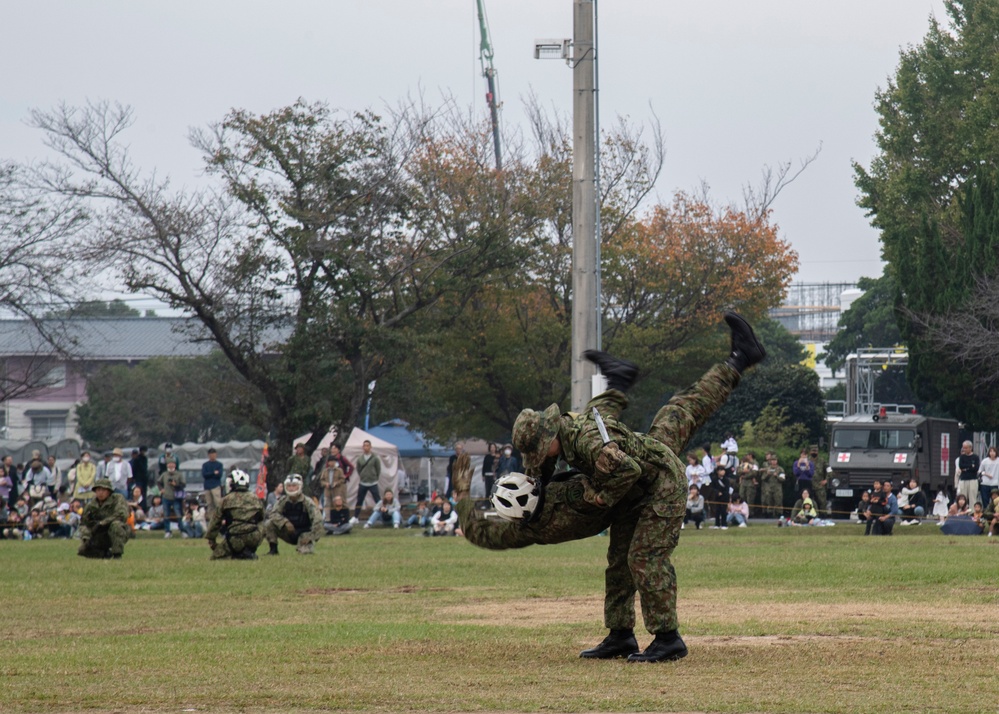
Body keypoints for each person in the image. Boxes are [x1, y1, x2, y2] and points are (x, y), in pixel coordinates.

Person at [456, 310, 765, 662]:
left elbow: (625, 468)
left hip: (659, 480)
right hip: (636, 480)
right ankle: (621, 636)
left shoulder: (581, 450)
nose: (538, 465)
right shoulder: (565, 440)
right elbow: (590, 425)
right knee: (678, 412)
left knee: (642, 558)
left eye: (541, 451)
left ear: (551, 435)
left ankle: (668, 639)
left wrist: (596, 496)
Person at [206, 468, 264, 560]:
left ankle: (241, 554)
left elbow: (215, 521)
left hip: (236, 538)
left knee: (216, 558)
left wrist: (211, 539)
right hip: (255, 538)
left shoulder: (226, 500)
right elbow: (261, 518)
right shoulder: (256, 498)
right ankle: (246, 553)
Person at [264, 474, 324, 555]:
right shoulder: (283, 501)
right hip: (288, 533)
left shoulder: (307, 502)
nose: (291, 488)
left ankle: (304, 547)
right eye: (289, 486)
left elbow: (318, 520)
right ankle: (273, 550)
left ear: (300, 486)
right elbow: (273, 514)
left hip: (304, 533)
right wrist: (284, 522)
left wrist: (311, 537)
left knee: (304, 553)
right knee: (269, 524)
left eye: (294, 486)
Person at [77, 478, 129, 559]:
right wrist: (86, 535)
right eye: (98, 490)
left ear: (109, 491)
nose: (100, 492)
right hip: (98, 534)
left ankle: (117, 555)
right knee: (82, 550)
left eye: (103, 490)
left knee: (116, 525)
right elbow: (83, 523)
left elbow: (121, 515)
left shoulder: (117, 499)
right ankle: (105, 554)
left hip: (115, 532)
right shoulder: (91, 505)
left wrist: (102, 523)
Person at [351, 440, 381, 524]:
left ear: (371, 447)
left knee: (378, 500)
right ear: (363, 447)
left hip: (373, 482)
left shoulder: (375, 458)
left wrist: (375, 477)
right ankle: (355, 517)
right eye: (365, 446)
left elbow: (378, 469)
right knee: (359, 500)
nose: (366, 447)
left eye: (368, 446)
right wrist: (362, 476)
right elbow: (358, 469)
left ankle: (382, 515)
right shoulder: (360, 458)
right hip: (363, 482)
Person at [158, 460, 186, 538]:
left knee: (178, 515)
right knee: (166, 515)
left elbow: (183, 485)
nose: (171, 466)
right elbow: (158, 482)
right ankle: (167, 531)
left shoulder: (179, 474)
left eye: (172, 464)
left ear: (175, 465)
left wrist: (175, 484)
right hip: (166, 497)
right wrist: (161, 489)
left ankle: (182, 530)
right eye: (169, 464)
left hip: (176, 497)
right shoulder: (164, 474)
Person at [201, 447, 225, 522]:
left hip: (216, 486)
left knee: (218, 503)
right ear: (209, 455)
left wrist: (211, 474)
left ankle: (220, 519)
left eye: (214, 454)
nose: (213, 456)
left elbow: (219, 475)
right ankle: (212, 520)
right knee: (209, 504)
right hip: (207, 486)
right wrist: (213, 473)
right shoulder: (205, 465)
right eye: (211, 454)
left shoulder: (219, 464)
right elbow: (204, 475)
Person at [320, 455, 346, 521]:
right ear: (328, 463)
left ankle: (338, 519)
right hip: (327, 491)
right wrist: (325, 484)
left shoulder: (339, 470)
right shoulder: (325, 471)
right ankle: (327, 519)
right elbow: (321, 480)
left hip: (337, 490)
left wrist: (336, 483)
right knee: (327, 505)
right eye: (330, 461)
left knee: (337, 504)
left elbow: (343, 479)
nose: (332, 463)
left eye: (333, 461)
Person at [759, 452, 785, 519]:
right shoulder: (767, 469)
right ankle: (769, 514)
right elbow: (763, 478)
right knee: (769, 502)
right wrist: (767, 475)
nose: (774, 462)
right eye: (772, 460)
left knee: (778, 502)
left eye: (775, 460)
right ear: (770, 461)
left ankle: (779, 514)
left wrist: (777, 476)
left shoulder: (780, 469)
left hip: (777, 489)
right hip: (769, 488)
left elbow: (783, 479)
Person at [955, 440, 980, 507]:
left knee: (972, 497)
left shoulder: (975, 457)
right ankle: (963, 511)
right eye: (963, 448)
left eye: (966, 448)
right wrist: (970, 466)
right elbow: (961, 466)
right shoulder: (962, 457)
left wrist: (966, 469)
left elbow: (976, 468)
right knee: (962, 497)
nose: (964, 449)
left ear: (970, 448)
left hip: (973, 479)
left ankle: (972, 512)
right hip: (963, 479)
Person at [706, 465, 729, 529]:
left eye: (724, 470)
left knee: (724, 511)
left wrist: (723, 493)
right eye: (721, 470)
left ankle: (724, 524)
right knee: (717, 511)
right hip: (717, 497)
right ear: (718, 471)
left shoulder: (726, 479)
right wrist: (717, 492)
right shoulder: (714, 479)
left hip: (724, 497)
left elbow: (727, 489)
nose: (723, 472)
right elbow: (712, 488)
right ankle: (717, 524)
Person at [737, 452, 759, 516]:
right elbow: (738, 471)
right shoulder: (743, 463)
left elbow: (755, 473)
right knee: (741, 496)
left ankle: (750, 513)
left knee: (750, 498)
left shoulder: (755, 464)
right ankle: (741, 512)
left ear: (750, 455)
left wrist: (745, 476)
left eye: (747, 455)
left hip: (750, 483)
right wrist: (743, 471)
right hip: (743, 483)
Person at [978, 446, 999, 510]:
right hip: (985, 483)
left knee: (995, 501)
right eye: (990, 451)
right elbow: (979, 471)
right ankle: (986, 513)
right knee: (985, 500)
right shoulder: (985, 461)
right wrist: (986, 474)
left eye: (993, 451)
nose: (992, 453)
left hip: (995, 483)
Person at [809, 445, 828, 515]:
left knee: (822, 503)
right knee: (810, 502)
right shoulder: (807, 460)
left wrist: (826, 480)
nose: (814, 452)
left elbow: (829, 471)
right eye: (813, 451)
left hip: (820, 486)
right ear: (810, 452)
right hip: (810, 485)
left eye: (815, 451)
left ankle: (823, 516)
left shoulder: (822, 461)